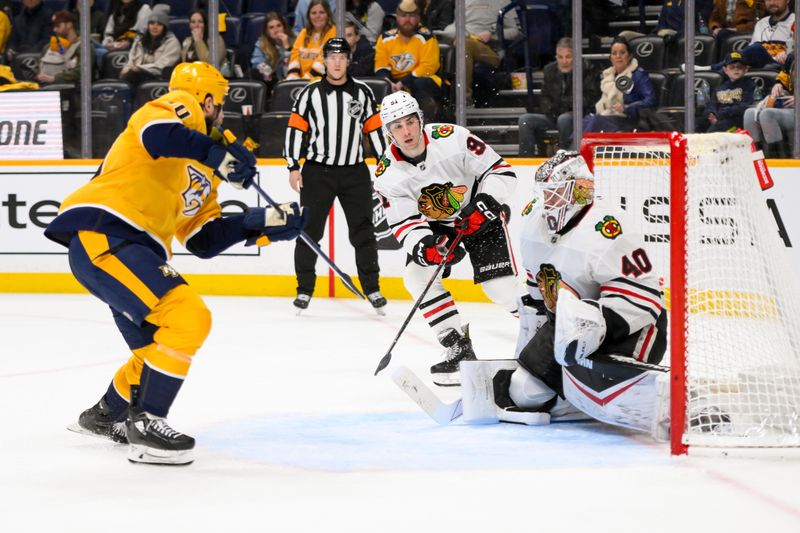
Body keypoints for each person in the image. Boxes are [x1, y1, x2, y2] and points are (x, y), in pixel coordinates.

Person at [44, 61, 308, 465]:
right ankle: (148, 424)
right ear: (206, 99)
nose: (221, 114)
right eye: (218, 104)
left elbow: (203, 239)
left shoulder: (205, 171)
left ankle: (106, 415)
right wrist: (217, 153)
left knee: (156, 347)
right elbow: (158, 134)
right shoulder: (176, 105)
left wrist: (265, 223)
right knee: (187, 316)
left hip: (130, 247)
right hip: (107, 229)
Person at [458, 151, 671, 440]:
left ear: (580, 192)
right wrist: (524, 358)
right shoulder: (534, 225)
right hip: (567, 332)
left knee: (578, 322)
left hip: (635, 332)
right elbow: (535, 303)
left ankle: (648, 392)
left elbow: (646, 302)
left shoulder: (608, 231)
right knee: (525, 390)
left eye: (556, 194)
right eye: (545, 195)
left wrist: (592, 325)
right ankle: (570, 397)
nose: (548, 204)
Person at [373, 91, 520, 386]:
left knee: (500, 289)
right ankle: (458, 345)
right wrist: (426, 248)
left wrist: (485, 202)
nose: (407, 131)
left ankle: (546, 327)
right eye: (398, 126)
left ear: (420, 120)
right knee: (416, 275)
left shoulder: (452, 137)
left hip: (479, 212)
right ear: (389, 133)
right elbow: (404, 223)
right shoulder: (387, 173)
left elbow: (501, 172)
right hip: (437, 225)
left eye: (410, 122)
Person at [284, 38, 387, 314]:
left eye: (342, 56)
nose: (337, 61)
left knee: (364, 231)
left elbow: (374, 130)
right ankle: (304, 290)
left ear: (348, 60)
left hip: (355, 172)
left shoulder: (363, 93)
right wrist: (293, 165)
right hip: (318, 171)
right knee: (308, 232)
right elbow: (296, 129)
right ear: (325, 61)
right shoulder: (310, 94)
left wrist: (385, 164)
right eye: (332, 56)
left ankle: (372, 288)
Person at [517, 37, 600, 156]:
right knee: (525, 120)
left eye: (568, 57)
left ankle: (566, 156)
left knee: (564, 119)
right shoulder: (549, 70)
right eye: (560, 57)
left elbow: (590, 98)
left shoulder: (588, 68)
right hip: (554, 114)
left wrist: (560, 104)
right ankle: (525, 159)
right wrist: (549, 108)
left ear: (576, 56)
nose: (564, 61)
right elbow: (544, 96)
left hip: (579, 116)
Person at [440, 0, 519, 107]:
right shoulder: (463, 2)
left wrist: (493, 34)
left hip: (491, 50)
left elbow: (515, 31)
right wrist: (455, 32)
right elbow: (454, 25)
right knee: (457, 42)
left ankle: (464, 99)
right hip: (465, 41)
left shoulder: (503, 1)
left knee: (463, 44)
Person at [374, 0, 442, 121]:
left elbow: (428, 67)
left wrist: (403, 83)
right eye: (403, 15)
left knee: (420, 84)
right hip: (394, 82)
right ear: (396, 17)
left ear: (418, 17)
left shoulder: (427, 37)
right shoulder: (385, 38)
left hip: (425, 80)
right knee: (382, 86)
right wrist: (388, 82)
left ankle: (426, 121)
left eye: (412, 16)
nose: (407, 20)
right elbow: (381, 65)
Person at [583, 37, 657, 133]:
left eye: (622, 53)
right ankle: (569, 147)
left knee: (595, 121)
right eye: (614, 53)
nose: (618, 56)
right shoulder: (608, 76)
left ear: (630, 56)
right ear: (611, 58)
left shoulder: (638, 74)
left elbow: (651, 100)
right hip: (608, 116)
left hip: (630, 119)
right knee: (583, 121)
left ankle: (576, 148)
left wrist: (627, 107)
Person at [744, 52, 796, 157]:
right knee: (749, 114)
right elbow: (784, 77)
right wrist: (778, 85)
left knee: (767, 114)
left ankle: (779, 159)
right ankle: (757, 158)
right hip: (792, 108)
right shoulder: (793, 56)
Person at [120, 8, 180, 85]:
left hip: (158, 76)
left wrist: (140, 68)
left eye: (159, 24)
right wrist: (127, 67)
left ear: (164, 27)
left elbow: (163, 66)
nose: (155, 27)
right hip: (137, 73)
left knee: (131, 76)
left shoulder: (172, 42)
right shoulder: (139, 40)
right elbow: (131, 59)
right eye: (152, 23)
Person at [35, 10, 95, 86]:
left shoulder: (84, 47)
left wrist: (55, 78)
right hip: (46, 88)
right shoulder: (48, 47)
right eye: (53, 26)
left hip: (73, 90)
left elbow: (82, 71)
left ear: (69, 25)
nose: (54, 29)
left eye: (58, 26)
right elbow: (39, 67)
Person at [287, 0, 336, 80]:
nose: (317, 16)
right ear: (309, 16)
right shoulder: (304, 32)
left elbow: (326, 58)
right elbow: (294, 54)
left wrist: (306, 80)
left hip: (322, 81)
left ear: (328, 15)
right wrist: (293, 77)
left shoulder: (334, 32)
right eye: (313, 13)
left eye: (321, 12)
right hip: (301, 81)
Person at [706, 51, 755, 132]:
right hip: (718, 119)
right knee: (697, 124)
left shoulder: (749, 85)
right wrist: (711, 114)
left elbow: (746, 105)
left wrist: (722, 114)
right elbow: (712, 104)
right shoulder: (720, 87)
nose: (736, 69)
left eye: (739, 67)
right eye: (732, 67)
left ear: (746, 69)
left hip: (736, 121)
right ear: (725, 70)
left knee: (714, 130)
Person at [250, 11, 294, 83]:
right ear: (267, 31)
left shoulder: (295, 41)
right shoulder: (261, 44)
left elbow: (292, 66)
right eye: (271, 27)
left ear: (284, 27)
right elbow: (256, 63)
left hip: (290, 78)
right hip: (270, 79)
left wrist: (287, 47)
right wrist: (265, 69)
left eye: (279, 26)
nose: (276, 30)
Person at [180, 10, 228, 75]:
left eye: (200, 22)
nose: (196, 25)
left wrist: (199, 41)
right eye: (193, 22)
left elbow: (210, 65)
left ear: (205, 24)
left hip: (212, 78)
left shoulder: (216, 39)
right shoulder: (187, 41)